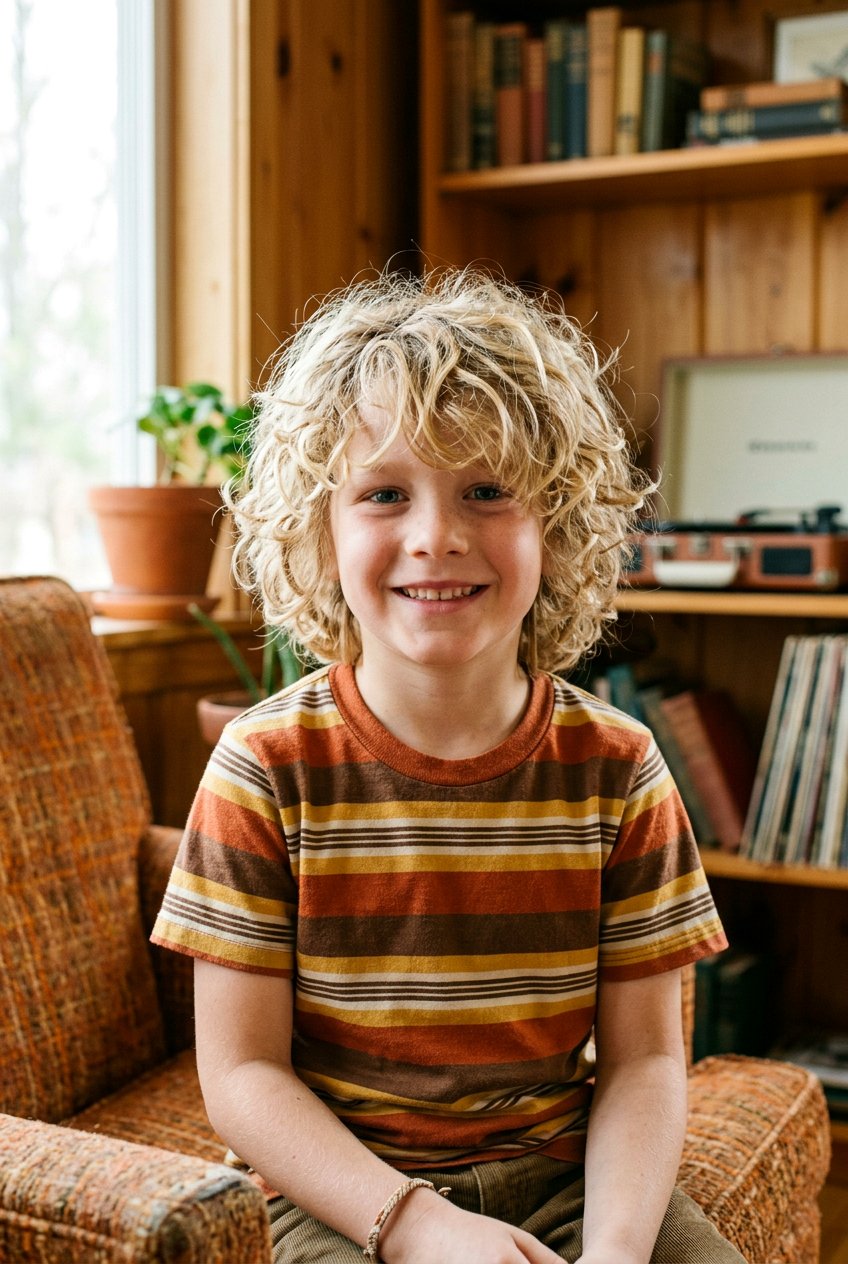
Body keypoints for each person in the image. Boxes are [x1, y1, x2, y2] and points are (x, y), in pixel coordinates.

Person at [151, 269, 743, 1264]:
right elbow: (242, 1071)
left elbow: (644, 1058)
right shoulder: (261, 767)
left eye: (484, 490)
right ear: (317, 528)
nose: (436, 536)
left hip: (563, 1179)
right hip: (342, 1193)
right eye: (383, 493)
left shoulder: (619, 768)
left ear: (553, 526)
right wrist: (414, 1225)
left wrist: (613, 1250)